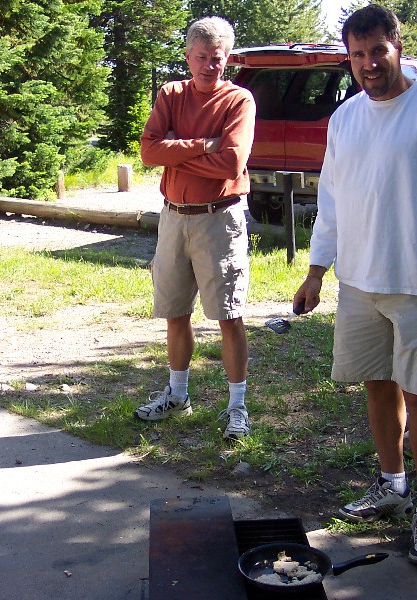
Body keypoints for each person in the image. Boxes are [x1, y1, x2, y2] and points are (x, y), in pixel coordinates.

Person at [292, 5, 417, 567]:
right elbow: (330, 200)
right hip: (358, 281)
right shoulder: (346, 117)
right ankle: (392, 483)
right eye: (356, 55)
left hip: (416, 282)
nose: (368, 65)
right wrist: (316, 270)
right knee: (377, 387)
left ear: (397, 45)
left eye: (377, 51)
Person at [136, 17, 256, 440]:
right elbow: (149, 151)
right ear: (188, 56)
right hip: (173, 217)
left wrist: (176, 150)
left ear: (228, 59)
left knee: (228, 314)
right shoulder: (171, 93)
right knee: (174, 311)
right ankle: (177, 394)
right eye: (201, 57)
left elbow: (231, 163)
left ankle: (237, 406)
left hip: (219, 218)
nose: (209, 66)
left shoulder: (239, 100)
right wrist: (204, 144)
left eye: (217, 59)